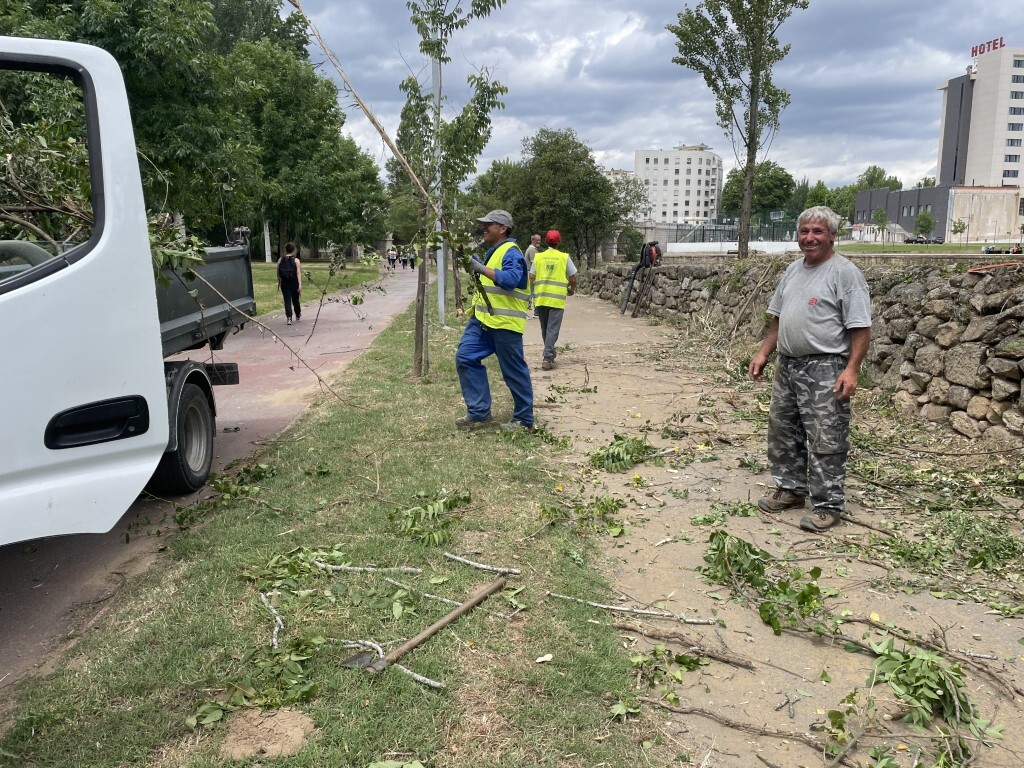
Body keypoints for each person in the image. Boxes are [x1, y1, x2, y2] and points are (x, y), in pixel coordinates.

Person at [747, 206, 871, 532]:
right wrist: (763, 353)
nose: (810, 238)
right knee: (783, 430)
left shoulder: (845, 274)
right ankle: (791, 489)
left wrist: (852, 369)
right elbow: (778, 319)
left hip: (826, 367)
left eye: (818, 231)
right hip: (788, 364)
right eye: (804, 231)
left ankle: (828, 505)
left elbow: (860, 327)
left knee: (826, 436)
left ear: (832, 236)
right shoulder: (793, 271)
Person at [455, 209, 534, 432]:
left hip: (505, 325)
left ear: (503, 228)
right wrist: (473, 261)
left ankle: (524, 420)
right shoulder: (495, 251)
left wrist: (479, 267)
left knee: (513, 371)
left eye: (489, 224)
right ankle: (479, 414)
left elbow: (510, 279)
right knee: (465, 357)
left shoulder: (512, 252)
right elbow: (492, 277)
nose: (484, 227)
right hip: (482, 321)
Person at [530, 230, 577, 370]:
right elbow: (573, 278)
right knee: (552, 329)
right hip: (556, 300)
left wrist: (532, 292)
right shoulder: (564, 257)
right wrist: (571, 289)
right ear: (559, 242)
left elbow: (531, 277)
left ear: (545, 241)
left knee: (545, 329)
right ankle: (548, 357)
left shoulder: (538, 257)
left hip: (541, 298)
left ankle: (549, 353)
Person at [277, 242, 302, 325]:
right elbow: (298, 272)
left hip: (284, 282)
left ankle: (289, 318)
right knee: (295, 300)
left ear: (285, 250)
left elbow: (278, 271)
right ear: (293, 250)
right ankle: (298, 314)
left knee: (287, 300)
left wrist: (279, 280)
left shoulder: (280, 260)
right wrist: (300, 284)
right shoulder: (296, 260)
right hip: (294, 282)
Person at [524, 233, 541, 316]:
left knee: (531, 292)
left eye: (540, 240)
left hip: (530, 272)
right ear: (533, 240)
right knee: (532, 293)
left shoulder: (532, 249)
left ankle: (535, 312)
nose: (539, 241)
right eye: (537, 240)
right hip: (531, 273)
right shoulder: (532, 250)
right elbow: (534, 264)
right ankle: (533, 312)